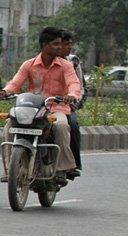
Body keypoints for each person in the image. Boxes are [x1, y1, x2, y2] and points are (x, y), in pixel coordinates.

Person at [1, 27, 81, 186]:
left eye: (60, 44)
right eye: (55, 44)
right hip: (33, 109)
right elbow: (15, 83)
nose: (60, 47)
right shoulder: (29, 65)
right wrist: (5, 92)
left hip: (56, 109)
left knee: (61, 125)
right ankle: (11, 169)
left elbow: (73, 83)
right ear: (45, 45)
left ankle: (61, 169)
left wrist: (71, 95)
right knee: (10, 125)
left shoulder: (66, 66)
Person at [59, 29, 84, 178]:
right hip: (43, 105)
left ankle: (73, 163)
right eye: (64, 44)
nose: (69, 47)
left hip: (65, 105)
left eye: (70, 44)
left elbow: (79, 85)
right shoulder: (39, 61)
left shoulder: (72, 62)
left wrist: (74, 99)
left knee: (72, 124)